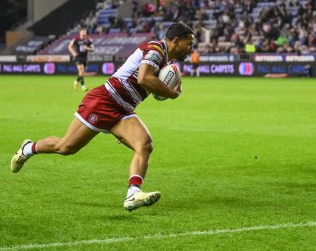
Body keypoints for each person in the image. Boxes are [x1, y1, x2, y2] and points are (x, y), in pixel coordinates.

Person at [11, 22, 195, 212]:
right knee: (65, 147)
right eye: (188, 43)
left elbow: (149, 86)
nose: (190, 49)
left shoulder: (165, 61)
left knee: (144, 144)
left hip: (123, 108)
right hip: (104, 101)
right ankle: (28, 148)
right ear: (175, 41)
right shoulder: (156, 49)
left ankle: (133, 194)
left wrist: (162, 92)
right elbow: (144, 78)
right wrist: (172, 93)